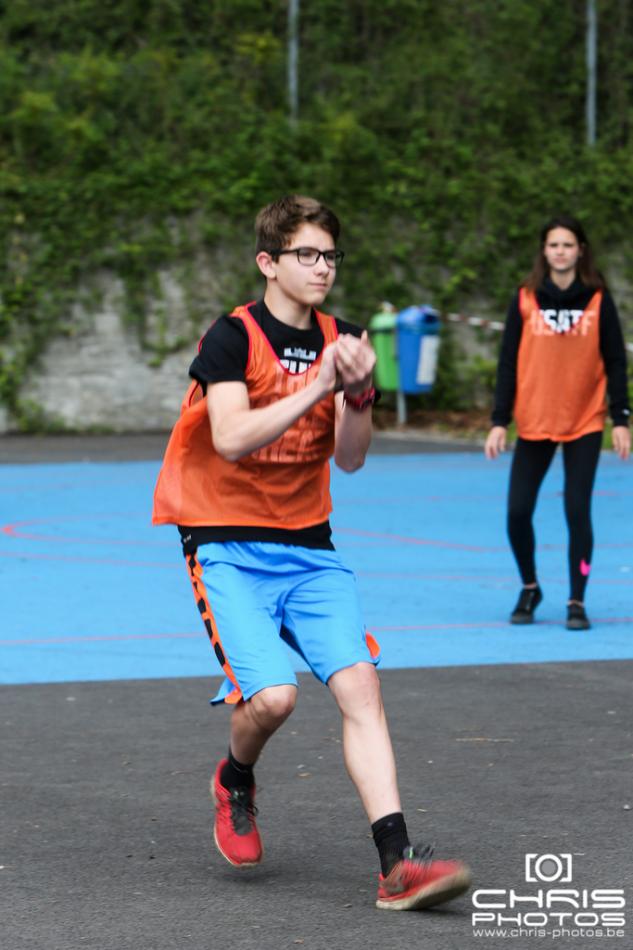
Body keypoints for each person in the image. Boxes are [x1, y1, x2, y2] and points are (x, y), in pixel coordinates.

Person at [153, 194, 471, 911]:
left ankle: (397, 865)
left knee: (361, 687)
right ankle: (236, 779)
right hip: (224, 540)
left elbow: (350, 460)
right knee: (274, 699)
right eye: (306, 254)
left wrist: (356, 397)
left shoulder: (345, 339)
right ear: (268, 262)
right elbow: (231, 438)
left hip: (307, 542)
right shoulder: (231, 338)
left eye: (330, 255)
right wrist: (321, 385)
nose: (322, 267)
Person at [485, 214, 630, 630]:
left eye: (568, 245)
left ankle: (576, 600)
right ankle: (530, 587)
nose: (560, 252)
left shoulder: (598, 298)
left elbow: (615, 361)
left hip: (585, 419)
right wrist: (499, 420)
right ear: (544, 251)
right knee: (517, 512)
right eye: (553, 245)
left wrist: (621, 417)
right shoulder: (525, 298)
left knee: (576, 509)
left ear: (580, 250)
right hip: (535, 418)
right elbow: (508, 362)